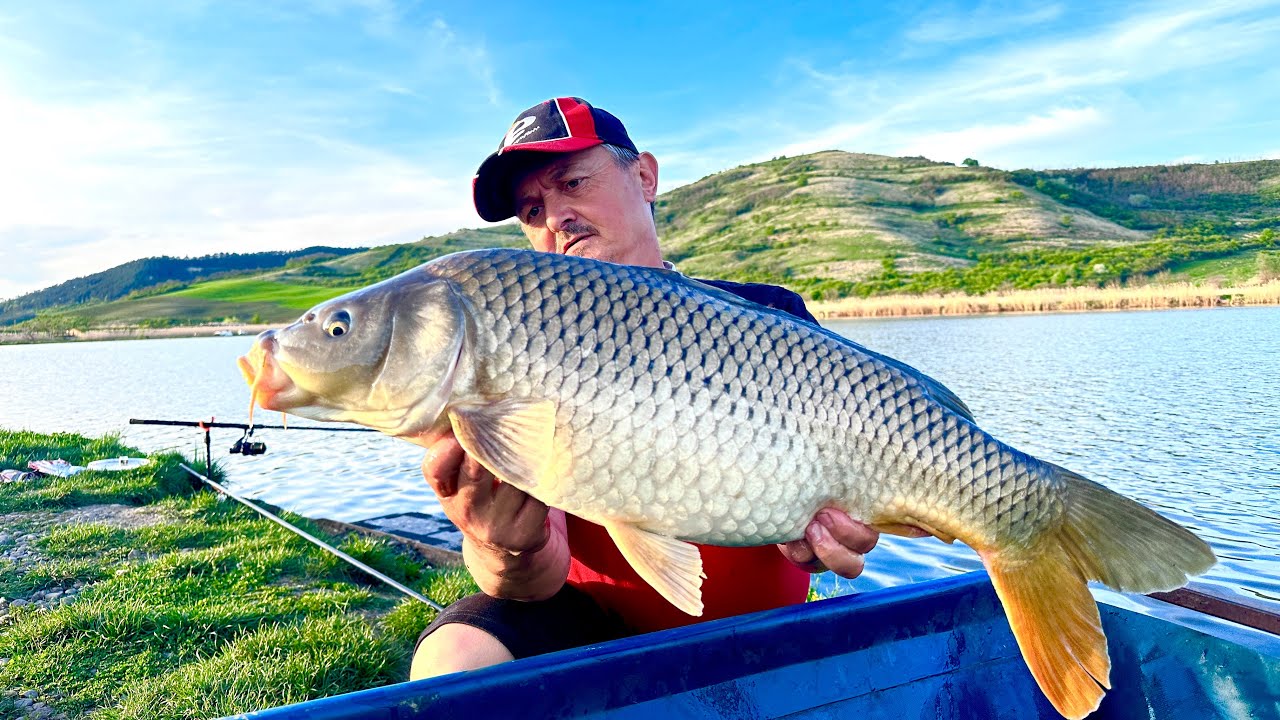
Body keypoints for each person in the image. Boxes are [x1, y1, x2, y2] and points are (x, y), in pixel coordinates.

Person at [410, 97, 880, 680]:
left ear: (645, 175)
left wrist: (835, 528)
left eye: (572, 181)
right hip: (589, 622)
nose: (556, 216)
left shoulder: (770, 316)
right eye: (532, 209)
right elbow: (531, 580)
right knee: (451, 659)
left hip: (755, 626)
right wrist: (501, 545)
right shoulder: (520, 340)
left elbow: (852, 497)